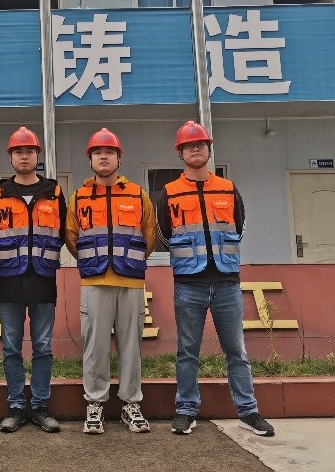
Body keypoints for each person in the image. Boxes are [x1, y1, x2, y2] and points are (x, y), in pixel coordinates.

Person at [157, 121, 275, 437]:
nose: (195, 148)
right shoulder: (169, 192)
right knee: (187, 351)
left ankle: (249, 412)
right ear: (180, 152)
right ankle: (185, 411)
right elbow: (164, 234)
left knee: (237, 351)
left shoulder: (228, 188)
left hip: (226, 283)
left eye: (200, 144)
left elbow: (239, 227)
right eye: (188, 145)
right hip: (189, 284)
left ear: (209, 149)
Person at [64, 128, 155, 435]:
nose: (103, 157)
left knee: (131, 346)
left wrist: (129, 260)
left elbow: (149, 234)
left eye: (109, 152)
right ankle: (95, 404)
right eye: (97, 152)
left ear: (119, 158)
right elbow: (71, 237)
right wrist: (94, 261)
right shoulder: (79, 197)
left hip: (131, 282)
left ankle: (131, 404)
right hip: (95, 281)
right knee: (95, 346)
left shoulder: (138, 195)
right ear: (90, 159)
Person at [0, 127, 65, 433]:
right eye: (18, 152)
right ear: (11, 157)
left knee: (43, 346)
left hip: (43, 279)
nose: (24, 156)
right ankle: (17, 406)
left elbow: (62, 232)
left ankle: (41, 406)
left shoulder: (54, 193)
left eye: (29, 151)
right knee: (11, 347)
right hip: (9, 280)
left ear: (37, 156)